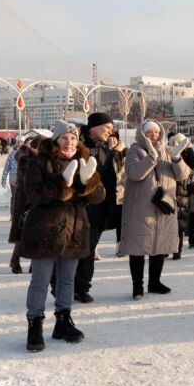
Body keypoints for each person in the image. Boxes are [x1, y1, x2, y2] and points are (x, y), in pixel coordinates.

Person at [22, 120, 105, 352]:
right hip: (45, 228)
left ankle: (63, 321)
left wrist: (88, 182)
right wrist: (63, 184)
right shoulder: (40, 161)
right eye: (64, 137)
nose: (69, 141)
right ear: (55, 140)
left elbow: (98, 197)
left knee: (67, 280)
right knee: (40, 281)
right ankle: (35, 325)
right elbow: (33, 193)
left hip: (75, 227)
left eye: (73, 137)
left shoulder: (85, 162)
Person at [120, 120, 191, 300]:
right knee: (138, 248)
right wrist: (151, 157)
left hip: (164, 206)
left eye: (156, 132)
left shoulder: (167, 150)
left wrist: (176, 158)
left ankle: (155, 282)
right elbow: (135, 174)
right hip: (141, 208)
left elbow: (183, 175)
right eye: (149, 132)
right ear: (142, 134)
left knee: (160, 245)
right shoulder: (134, 151)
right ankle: (138, 286)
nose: (153, 135)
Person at [71, 112, 121, 303]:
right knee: (75, 248)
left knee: (90, 249)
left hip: (98, 208)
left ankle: (82, 287)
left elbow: (109, 179)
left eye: (111, 128)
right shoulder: (77, 145)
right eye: (106, 128)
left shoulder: (104, 148)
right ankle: (67, 285)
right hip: (79, 206)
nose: (109, 132)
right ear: (93, 127)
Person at [8, 136, 41, 273]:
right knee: (24, 234)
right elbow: (28, 180)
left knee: (35, 233)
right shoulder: (28, 159)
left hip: (30, 200)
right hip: (27, 201)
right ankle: (15, 262)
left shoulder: (32, 158)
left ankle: (31, 263)